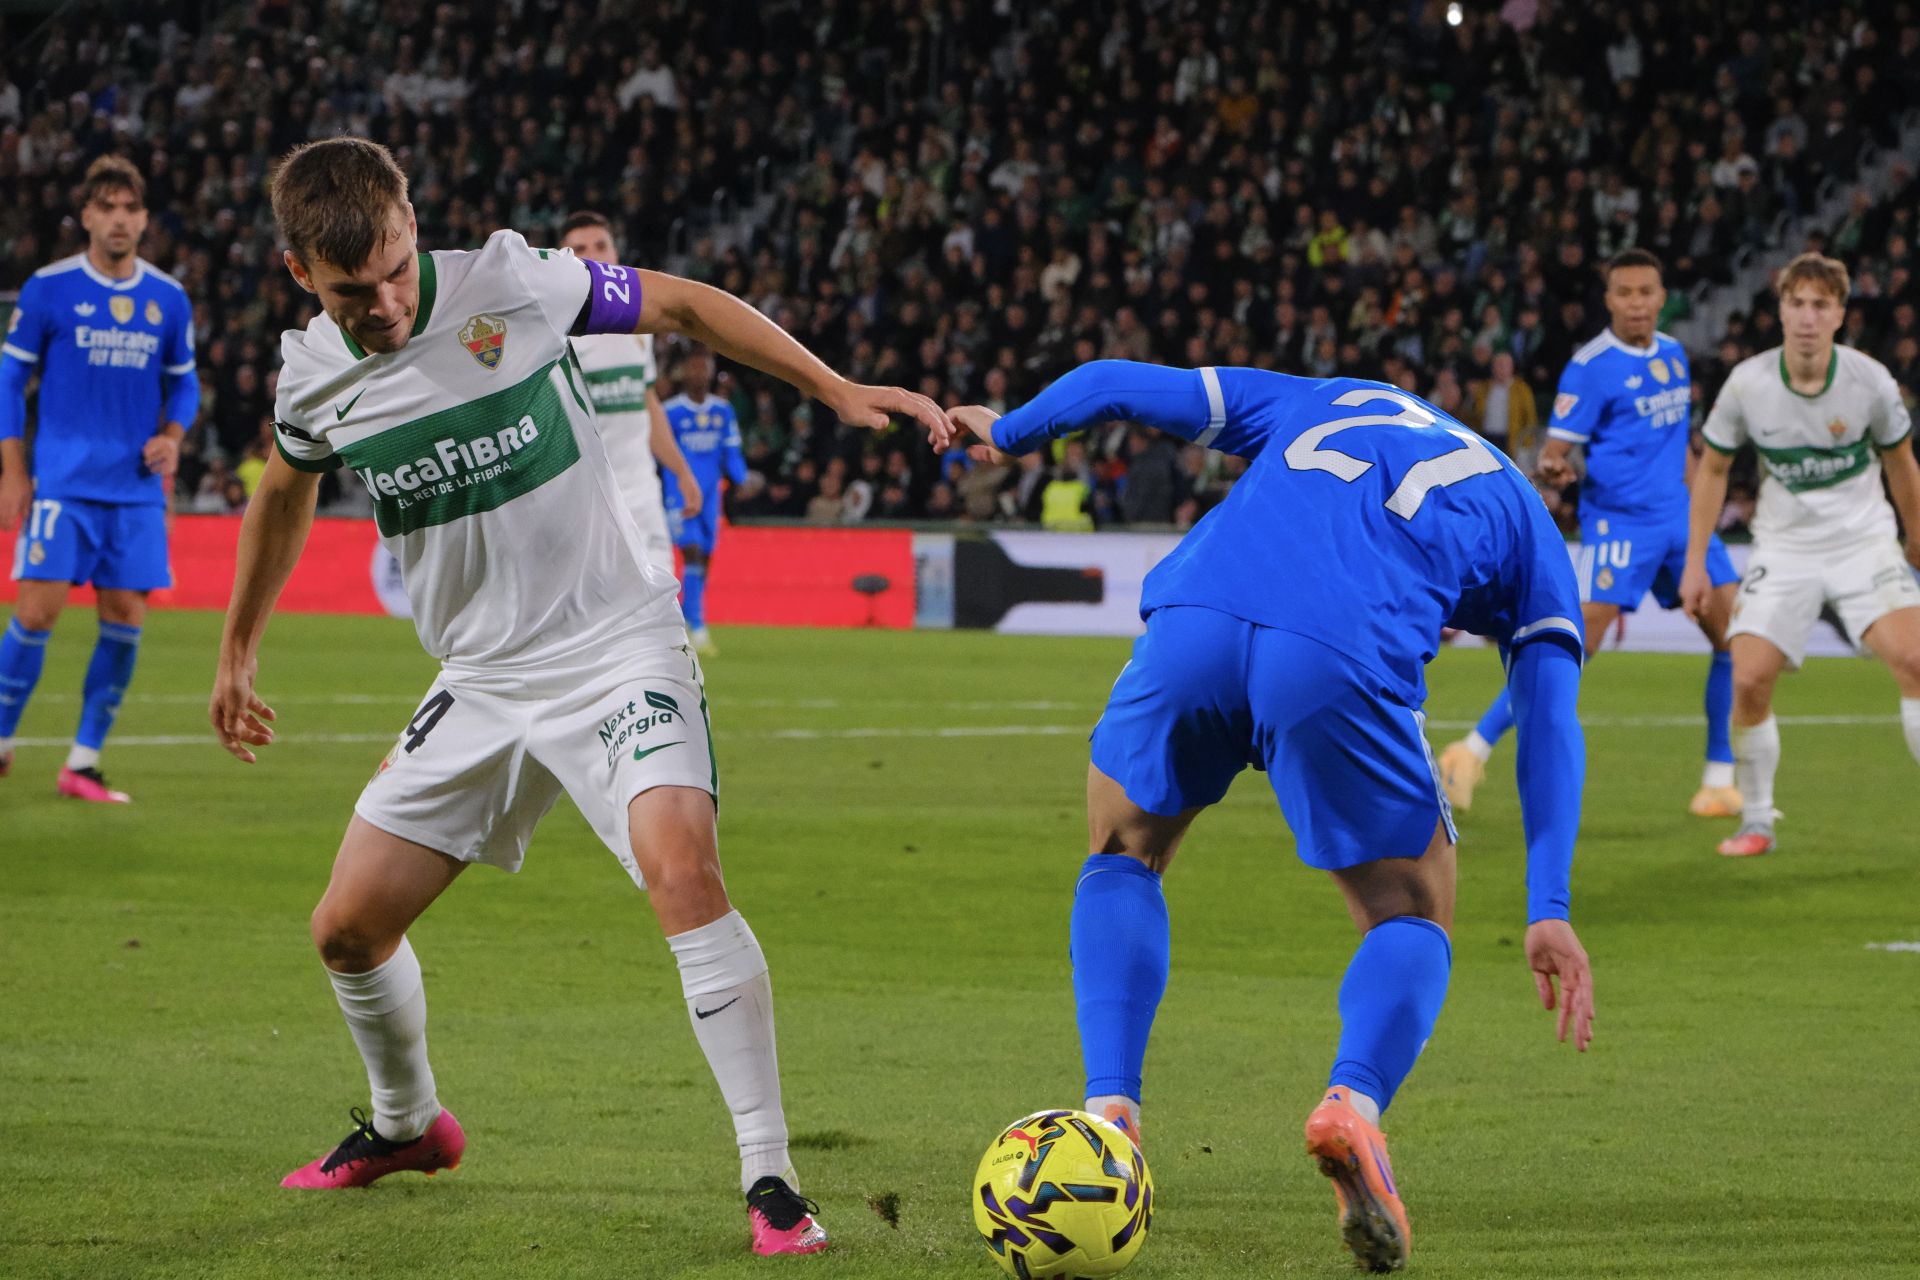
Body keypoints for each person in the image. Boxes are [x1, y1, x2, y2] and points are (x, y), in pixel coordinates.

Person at [207, 137, 946, 1254]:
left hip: (617, 645)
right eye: (356, 290)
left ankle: (771, 1178)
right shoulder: (312, 373)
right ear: (299, 271)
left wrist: (833, 388)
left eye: (401, 268)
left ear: (414, 221)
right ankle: (410, 1124)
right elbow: (282, 490)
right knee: (348, 929)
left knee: (680, 866)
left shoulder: (511, 278)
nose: (392, 303)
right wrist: (237, 649)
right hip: (483, 679)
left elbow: (687, 307)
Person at [952, 359, 1594, 1273]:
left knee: (1124, 849)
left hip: (1197, 618)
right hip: (1336, 654)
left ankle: (1111, 1116)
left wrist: (1008, 430)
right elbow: (1549, 726)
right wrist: (1550, 906)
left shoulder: (1328, 394)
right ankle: (1354, 1107)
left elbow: (1115, 381)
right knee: (1409, 909)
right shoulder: (1533, 533)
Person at [1440, 249, 1744, 818]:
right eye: (1624, 293)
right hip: (1621, 524)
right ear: (1608, 300)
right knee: (1572, 649)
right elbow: (1556, 452)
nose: (1636, 303)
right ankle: (1470, 751)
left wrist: (1697, 509)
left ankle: (1719, 779)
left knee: (1735, 636)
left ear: (1661, 297)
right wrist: (1556, 468)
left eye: (1646, 292)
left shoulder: (1675, 356)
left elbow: (1678, 440)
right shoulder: (1589, 366)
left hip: (1679, 517)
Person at [1681, 252, 1920, 856]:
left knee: (1916, 661)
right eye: (1797, 303)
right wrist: (1695, 561)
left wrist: (1917, 537)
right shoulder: (1748, 384)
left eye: (1820, 305)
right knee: (1750, 678)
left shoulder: (1870, 382)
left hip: (1863, 542)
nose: (1807, 317)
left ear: (1840, 313)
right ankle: (1758, 820)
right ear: (1780, 310)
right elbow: (1712, 468)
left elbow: (1902, 467)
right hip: (1784, 550)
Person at [0, 155, 199, 801]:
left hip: (136, 492)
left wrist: (172, 438)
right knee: (36, 611)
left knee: (125, 618)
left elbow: (184, 383)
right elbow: (9, 383)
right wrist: (14, 471)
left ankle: (81, 762)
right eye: (106, 207)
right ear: (86, 215)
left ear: (144, 220)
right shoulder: (47, 288)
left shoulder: (167, 298)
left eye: (129, 208)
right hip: (62, 483)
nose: (118, 219)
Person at [558, 211, 702, 582]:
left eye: (602, 246)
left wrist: (682, 471)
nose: (594, 256)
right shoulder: (555, 331)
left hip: (642, 492)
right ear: (562, 260)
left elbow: (646, 402)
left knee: (664, 597)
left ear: (617, 253)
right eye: (580, 249)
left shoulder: (641, 323)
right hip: (585, 498)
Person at [662, 348, 746, 655]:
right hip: (679, 495)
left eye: (704, 367)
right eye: (694, 367)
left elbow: (731, 451)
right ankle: (697, 627)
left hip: (711, 497)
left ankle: (687, 617)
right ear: (684, 372)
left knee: (705, 558)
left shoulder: (723, 411)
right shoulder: (670, 411)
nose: (699, 373)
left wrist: (742, 478)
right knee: (693, 553)